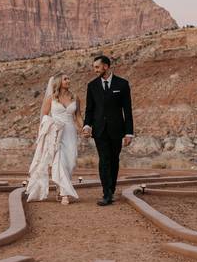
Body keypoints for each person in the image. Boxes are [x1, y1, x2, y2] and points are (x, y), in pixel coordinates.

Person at [82, 55, 134, 206]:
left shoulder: (122, 84)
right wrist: (87, 125)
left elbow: (127, 110)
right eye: (94, 67)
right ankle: (106, 193)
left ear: (106, 66)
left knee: (114, 160)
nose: (95, 70)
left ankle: (111, 188)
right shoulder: (92, 86)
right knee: (104, 160)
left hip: (117, 130)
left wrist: (129, 132)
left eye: (97, 67)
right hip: (99, 130)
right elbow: (89, 110)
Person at [25, 73, 83, 204]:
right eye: (65, 79)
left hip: (70, 132)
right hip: (56, 133)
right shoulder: (51, 98)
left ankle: (59, 187)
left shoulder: (75, 97)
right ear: (58, 82)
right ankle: (64, 194)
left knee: (71, 162)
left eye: (68, 78)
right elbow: (44, 116)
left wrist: (83, 128)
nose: (68, 80)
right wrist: (45, 134)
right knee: (60, 161)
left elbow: (78, 116)